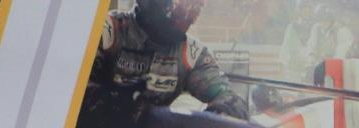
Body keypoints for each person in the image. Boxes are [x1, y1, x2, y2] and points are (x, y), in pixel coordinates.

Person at [91, 0, 248, 119]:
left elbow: (230, 99)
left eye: (196, 5)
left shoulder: (192, 53)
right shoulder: (106, 30)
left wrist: (216, 117)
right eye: (183, 4)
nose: (190, 13)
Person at [306, 3, 354, 81]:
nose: (323, 22)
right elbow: (311, 46)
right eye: (321, 19)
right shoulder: (316, 28)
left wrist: (328, 63)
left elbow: (341, 54)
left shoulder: (342, 31)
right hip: (320, 67)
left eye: (326, 19)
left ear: (331, 19)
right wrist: (311, 57)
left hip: (339, 70)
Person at [278, 1, 315, 83]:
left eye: (309, 10)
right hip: (294, 68)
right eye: (305, 10)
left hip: (309, 68)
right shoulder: (292, 26)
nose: (307, 13)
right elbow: (286, 46)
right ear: (300, 11)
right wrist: (282, 62)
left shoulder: (315, 27)